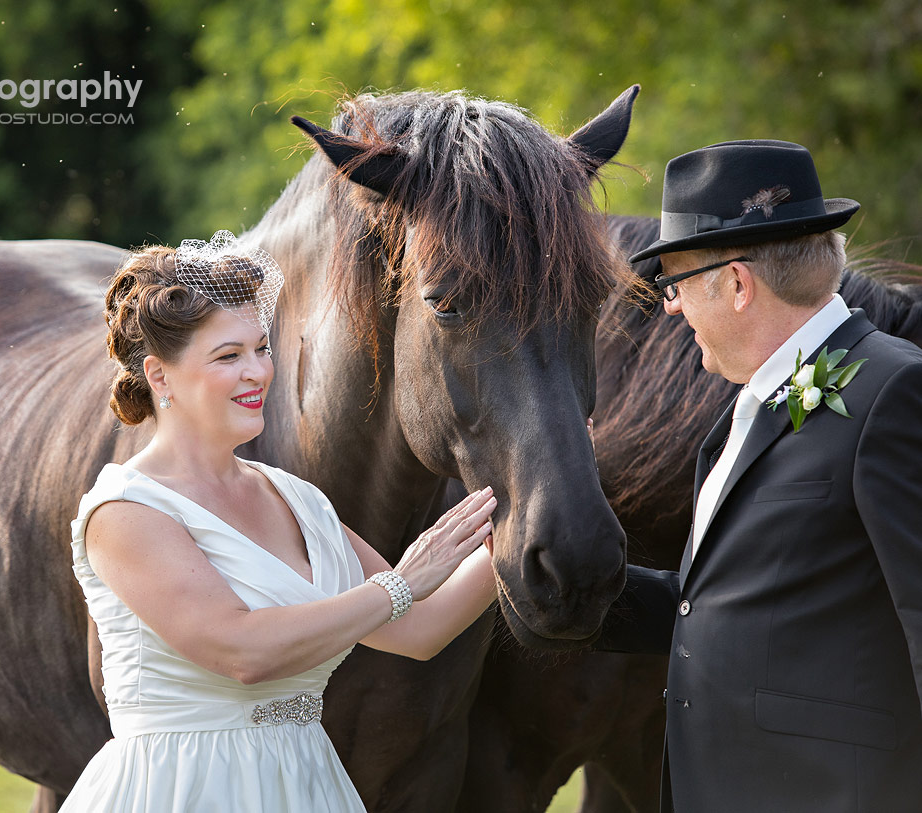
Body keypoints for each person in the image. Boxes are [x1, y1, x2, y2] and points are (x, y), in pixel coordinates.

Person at [61, 230, 499, 812]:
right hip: (182, 789)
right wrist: (398, 584)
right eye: (227, 356)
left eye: (261, 348)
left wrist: (520, 519)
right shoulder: (126, 511)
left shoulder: (298, 500)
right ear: (160, 376)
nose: (257, 373)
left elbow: (419, 630)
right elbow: (242, 653)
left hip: (306, 785)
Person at [596, 140, 922, 812]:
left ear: (738, 284)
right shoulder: (742, 413)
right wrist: (565, 590)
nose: (671, 308)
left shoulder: (894, 391)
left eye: (678, 283)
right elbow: (713, 607)